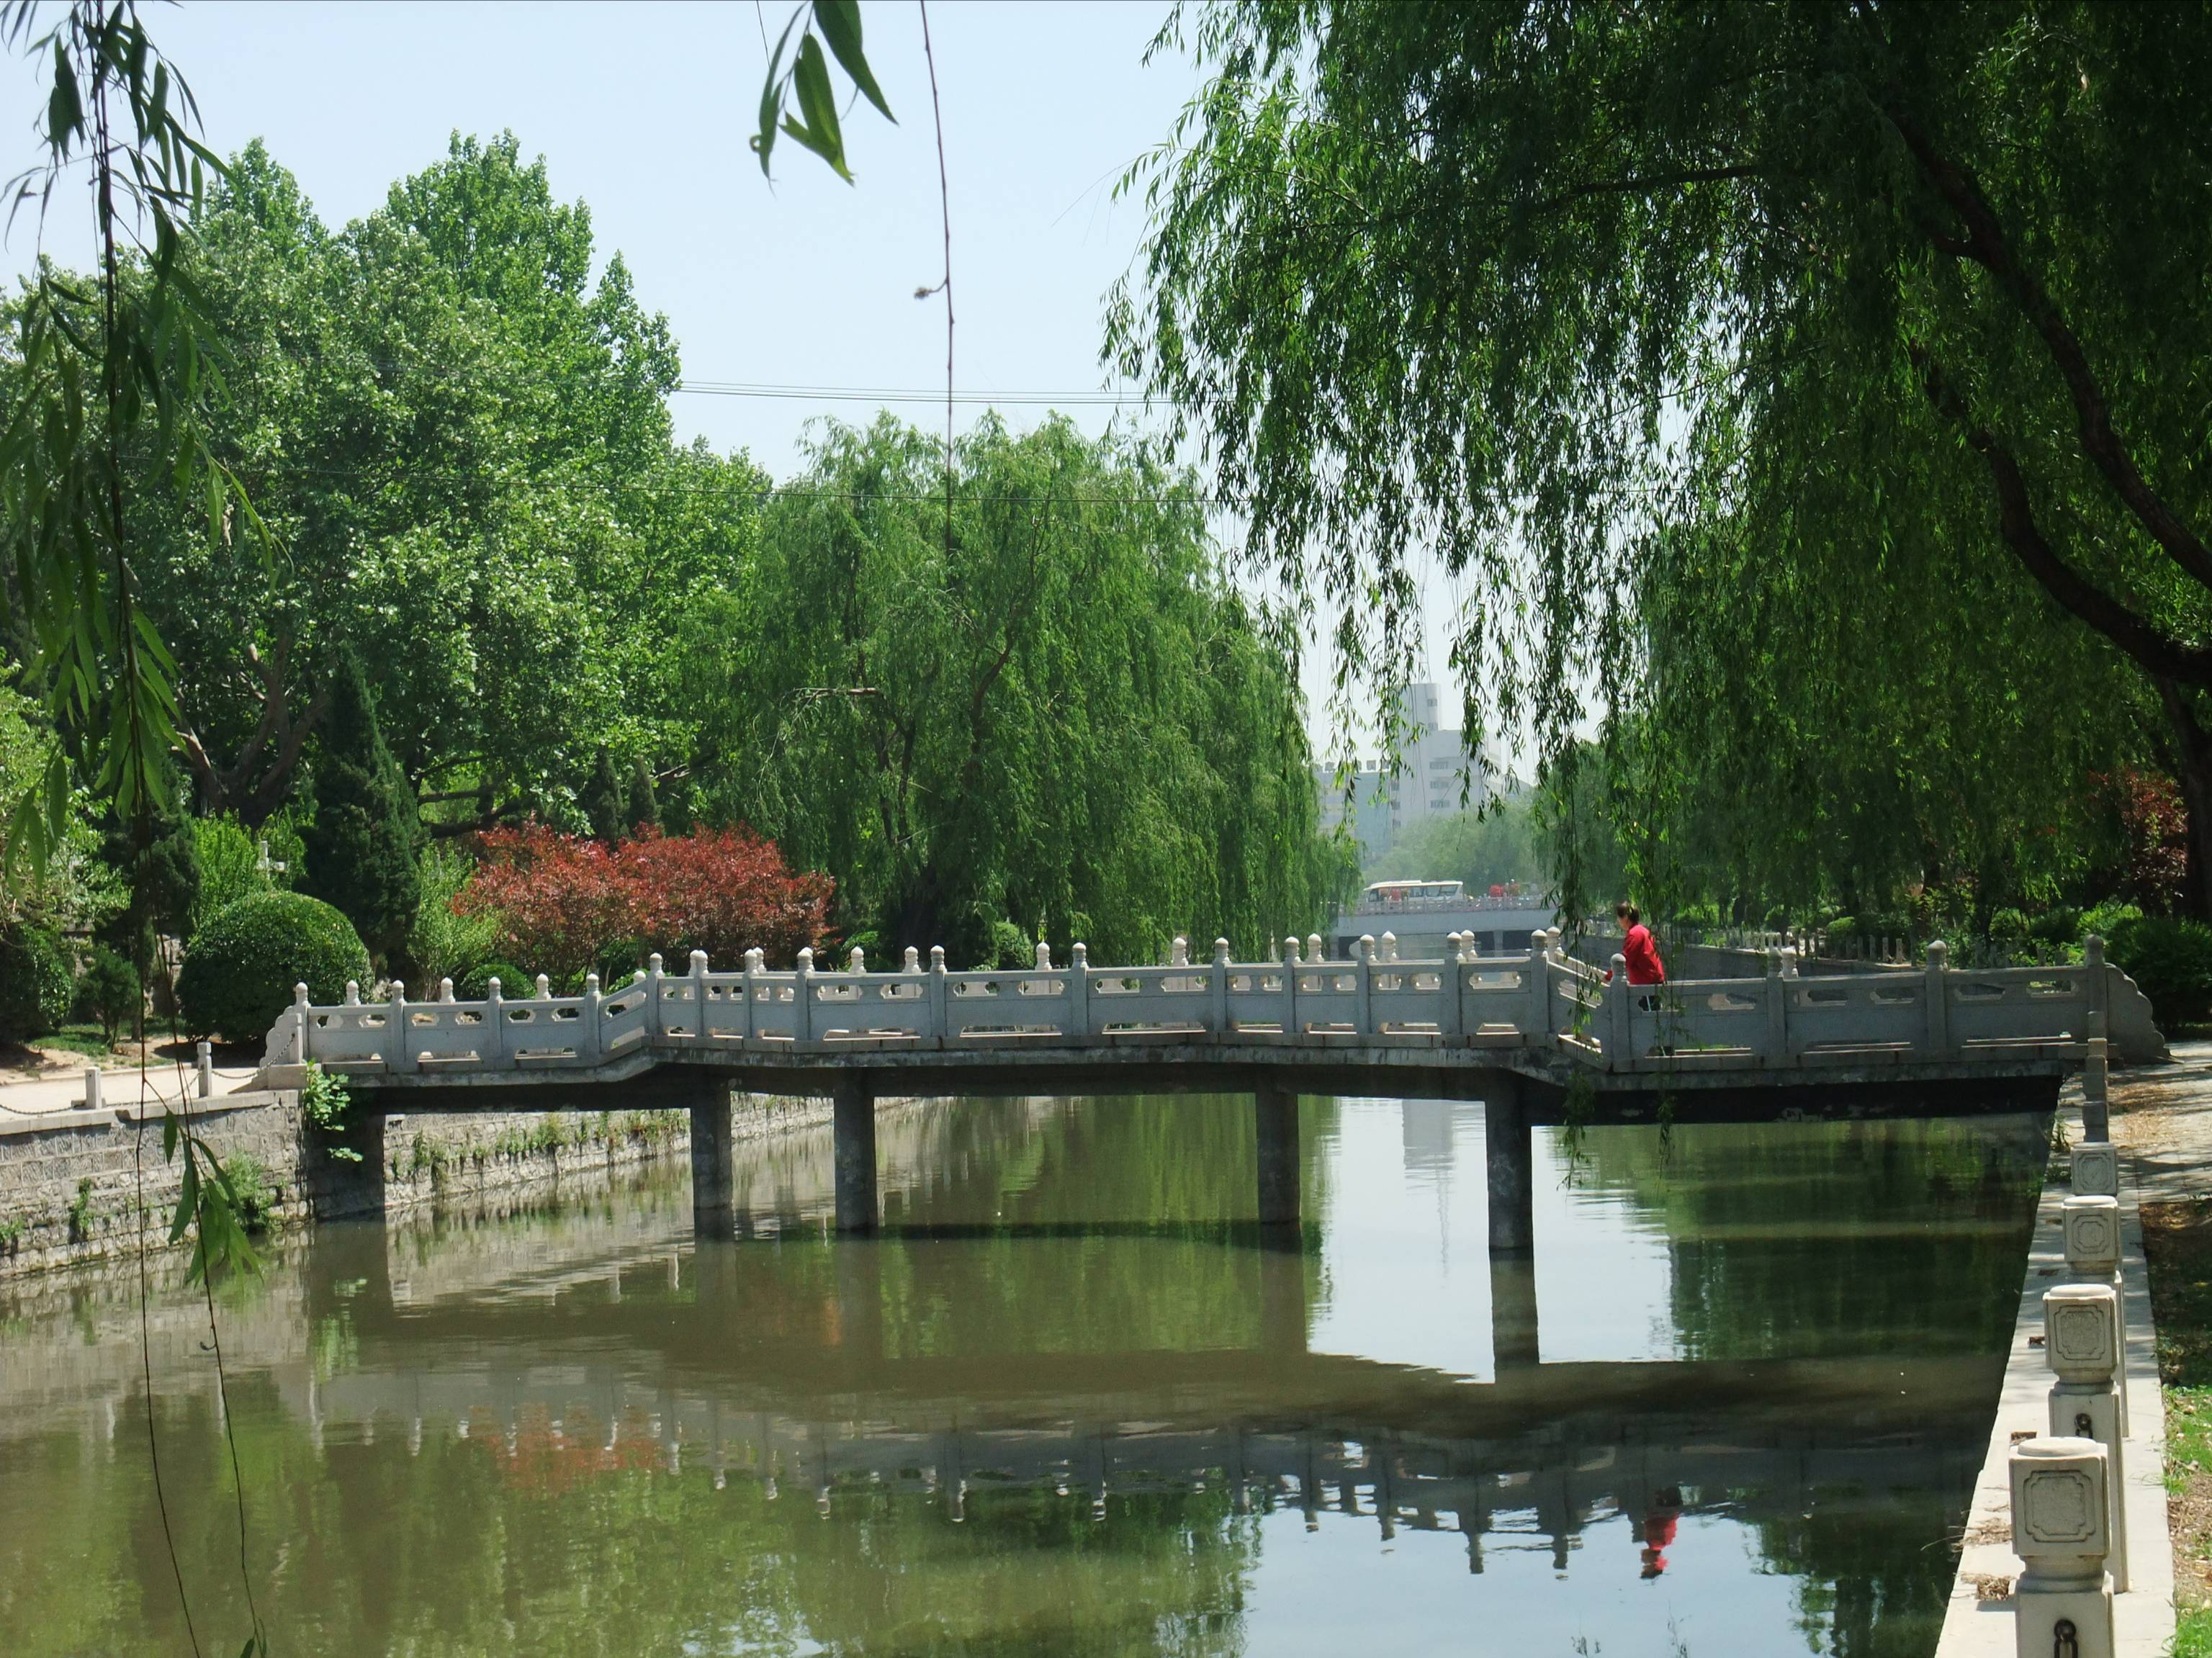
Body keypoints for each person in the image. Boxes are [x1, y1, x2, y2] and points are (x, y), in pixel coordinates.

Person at [1610, 902, 1666, 986]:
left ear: (1625, 917)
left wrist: (1608, 976)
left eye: (1619, 917)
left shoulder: (1635, 934)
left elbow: (1625, 961)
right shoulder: (1643, 931)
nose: (1618, 920)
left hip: (1647, 984)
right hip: (1653, 980)